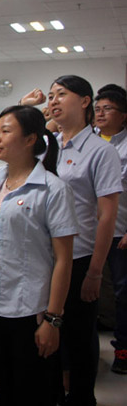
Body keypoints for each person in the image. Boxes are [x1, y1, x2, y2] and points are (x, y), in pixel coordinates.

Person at [0, 105, 76, 404]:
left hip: (29, 309)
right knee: (4, 387)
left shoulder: (53, 189)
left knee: (33, 391)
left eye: (5, 131)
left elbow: (63, 260)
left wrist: (53, 320)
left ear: (31, 139)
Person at [21, 77, 121, 406]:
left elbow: (106, 215)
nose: (53, 100)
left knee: (78, 336)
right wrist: (25, 108)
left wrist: (95, 272)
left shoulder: (101, 150)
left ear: (85, 101)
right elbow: (12, 142)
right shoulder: (48, 144)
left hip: (79, 258)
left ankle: (81, 399)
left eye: (61, 94)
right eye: (50, 96)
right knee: (46, 334)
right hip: (45, 257)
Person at [93, 84, 127, 374]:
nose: (100, 113)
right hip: (86, 233)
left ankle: (124, 349)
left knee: (122, 293)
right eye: (97, 108)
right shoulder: (87, 140)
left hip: (120, 231)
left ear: (123, 115)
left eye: (108, 109)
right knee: (87, 290)